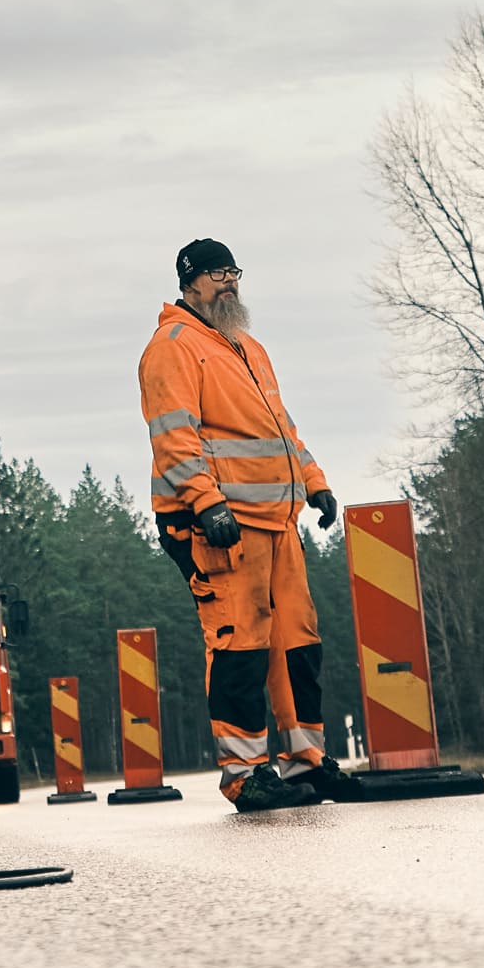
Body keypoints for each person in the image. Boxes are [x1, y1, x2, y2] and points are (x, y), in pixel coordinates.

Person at [138, 240, 342, 810]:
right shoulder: (173, 347)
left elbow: (281, 427)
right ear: (190, 283)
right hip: (218, 525)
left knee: (297, 642)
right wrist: (206, 503)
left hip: (277, 520)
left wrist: (315, 481)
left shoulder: (247, 347)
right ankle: (244, 772)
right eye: (215, 273)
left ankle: (306, 762)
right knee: (239, 646)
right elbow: (174, 436)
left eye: (233, 271)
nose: (228, 282)